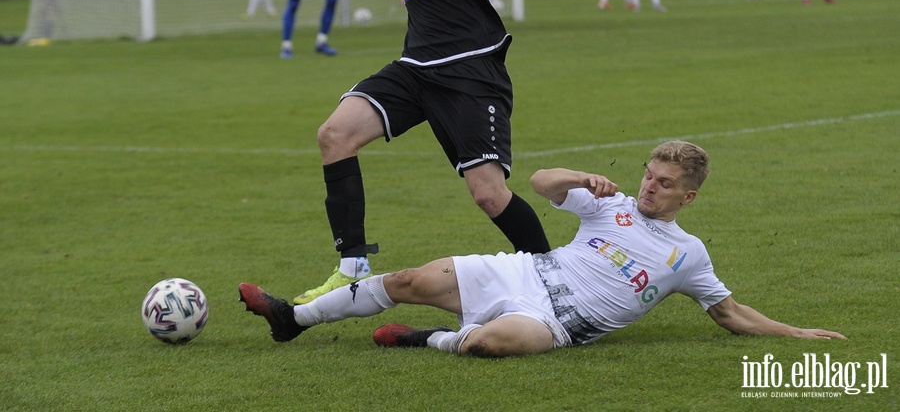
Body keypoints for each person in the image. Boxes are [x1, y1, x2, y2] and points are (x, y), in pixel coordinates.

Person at [239, 140, 847, 357]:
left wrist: (794, 334)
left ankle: (424, 338)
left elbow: (729, 314)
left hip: (557, 321)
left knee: (491, 344)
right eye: (647, 175)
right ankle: (294, 319)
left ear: (688, 197)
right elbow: (537, 183)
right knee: (408, 280)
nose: (649, 187)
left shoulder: (688, 255)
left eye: (664, 184)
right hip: (527, 272)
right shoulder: (608, 203)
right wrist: (584, 179)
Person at [289, 0, 550, 305]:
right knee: (335, 135)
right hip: (417, 68)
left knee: (489, 194)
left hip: (470, 69)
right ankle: (352, 267)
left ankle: (553, 281)